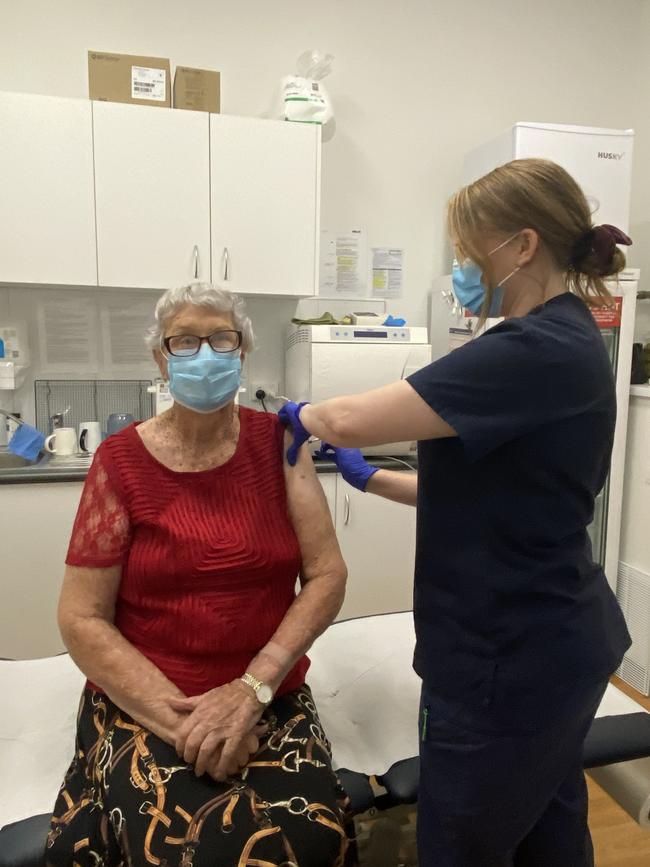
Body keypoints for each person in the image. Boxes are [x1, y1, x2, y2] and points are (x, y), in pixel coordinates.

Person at [280, 158, 633, 867]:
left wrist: (291, 416)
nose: (464, 268)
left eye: (472, 251)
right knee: (548, 829)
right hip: (555, 641)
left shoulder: (532, 348)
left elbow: (346, 415)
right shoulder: (569, 339)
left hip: (509, 661)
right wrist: (373, 479)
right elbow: (498, 496)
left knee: (460, 845)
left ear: (523, 245)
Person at [47, 284, 349, 866]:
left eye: (221, 338)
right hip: (150, 703)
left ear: (242, 352)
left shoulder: (281, 443)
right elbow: (81, 617)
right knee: (188, 849)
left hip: (267, 692)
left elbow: (327, 575)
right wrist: (186, 724)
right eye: (184, 341)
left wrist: (249, 691)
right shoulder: (119, 461)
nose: (204, 353)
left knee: (317, 840)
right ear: (161, 358)